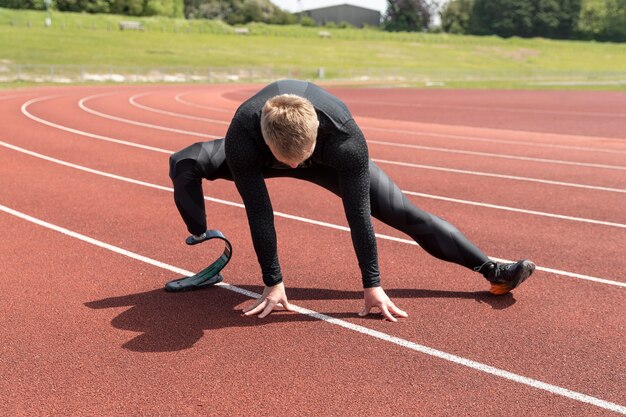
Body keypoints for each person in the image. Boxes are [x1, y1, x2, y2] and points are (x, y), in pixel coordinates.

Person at [169, 80, 535, 321]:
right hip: (259, 155)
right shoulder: (243, 135)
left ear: (317, 133)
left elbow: (359, 216)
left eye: (301, 158)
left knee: (400, 210)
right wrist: (273, 281)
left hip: (331, 159)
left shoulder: (344, 134)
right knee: (184, 162)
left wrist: (372, 284)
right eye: (288, 162)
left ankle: (493, 270)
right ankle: (201, 237)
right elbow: (260, 212)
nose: (296, 168)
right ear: (266, 141)